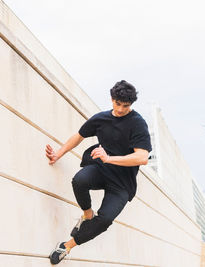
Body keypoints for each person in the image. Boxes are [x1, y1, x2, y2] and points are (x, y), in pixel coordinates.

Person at [47, 80, 152, 264]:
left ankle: (67, 246)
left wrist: (110, 158)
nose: (120, 109)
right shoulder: (101, 119)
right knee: (79, 181)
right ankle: (87, 215)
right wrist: (58, 154)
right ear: (112, 99)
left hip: (122, 183)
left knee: (105, 220)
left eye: (125, 106)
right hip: (101, 170)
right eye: (117, 104)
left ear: (131, 105)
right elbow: (78, 136)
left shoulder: (137, 123)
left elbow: (142, 157)